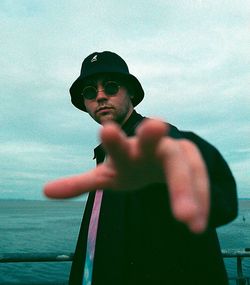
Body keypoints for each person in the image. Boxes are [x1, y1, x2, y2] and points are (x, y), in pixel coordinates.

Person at [44, 51, 238, 285]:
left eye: (111, 87)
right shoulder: (106, 154)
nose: (101, 97)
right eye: (89, 92)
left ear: (132, 93)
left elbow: (214, 198)